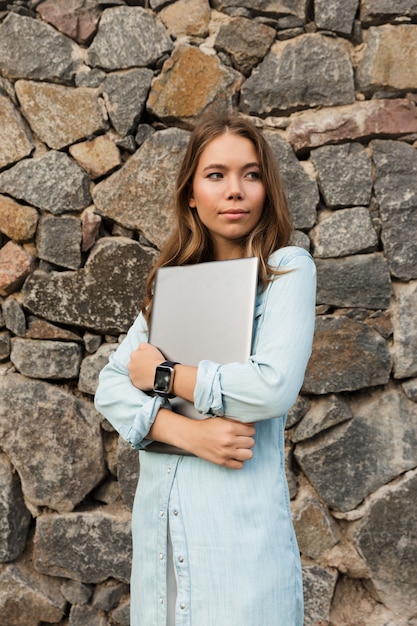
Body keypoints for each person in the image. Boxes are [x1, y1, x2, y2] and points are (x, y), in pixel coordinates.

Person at [94, 112, 316, 626]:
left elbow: (270, 387)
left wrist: (166, 377)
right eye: (216, 174)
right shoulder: (172, 287)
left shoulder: (286, 270)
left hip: (236, 547)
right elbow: (111, 383)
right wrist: (188, 434)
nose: (234, 190)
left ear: (267, 188)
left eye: (251, 174)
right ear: (192, 193)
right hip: (162, 538)